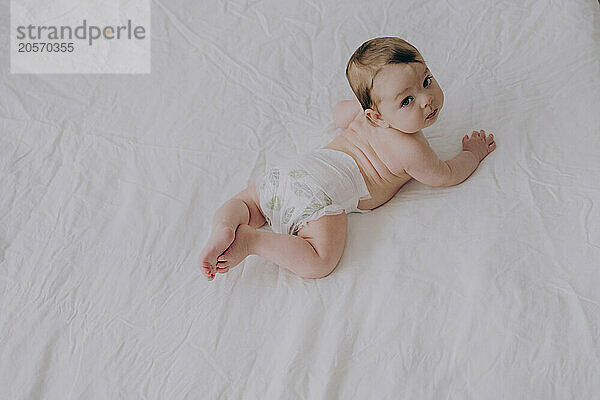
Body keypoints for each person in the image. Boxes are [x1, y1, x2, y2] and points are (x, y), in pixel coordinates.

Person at [198, 36, 496, 280]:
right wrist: (472, 153)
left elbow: (337, 113)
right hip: (319, 194)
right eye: (407, 100)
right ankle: (251, 241)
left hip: (292, 171)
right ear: (377, 116)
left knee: (249, 202)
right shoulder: (410, 149)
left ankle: (224, 225)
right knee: (319, 260)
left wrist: (364, 102)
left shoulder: (361, 115)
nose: (426, 99)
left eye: (427, 81)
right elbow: (446, 175)